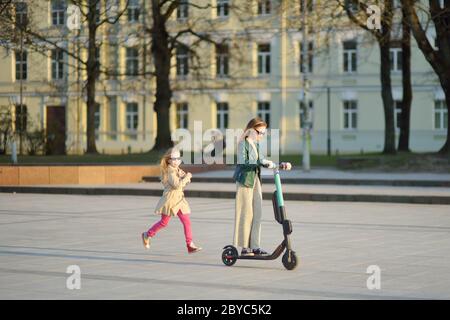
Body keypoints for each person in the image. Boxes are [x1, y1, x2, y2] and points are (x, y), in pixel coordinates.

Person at [141, 148, 202, 254]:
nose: (176, 161)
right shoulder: (170, 171)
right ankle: (147, 234)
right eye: (174, 159)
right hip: (170, 200)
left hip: (179, 201)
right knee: (164, 222)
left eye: (178, 158)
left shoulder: (177, 169)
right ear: (169, 160)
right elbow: (177, 185)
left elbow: (183, 183)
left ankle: (189, 244)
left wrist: (185, 178)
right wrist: (187, 177)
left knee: (186, 221)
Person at [232, 117, 276, 256]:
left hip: (255, 179)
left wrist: (271, 163)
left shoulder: (255, 144)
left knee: (258, 212)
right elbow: (244, 162)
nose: (262, 135)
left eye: (264, 133)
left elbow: (260, 159)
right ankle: (245, 248)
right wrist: (260, 163)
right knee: (247, 213)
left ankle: (255, 246)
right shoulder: (242, 144)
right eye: (260, 132)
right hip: (245, 180)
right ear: (251, 130)